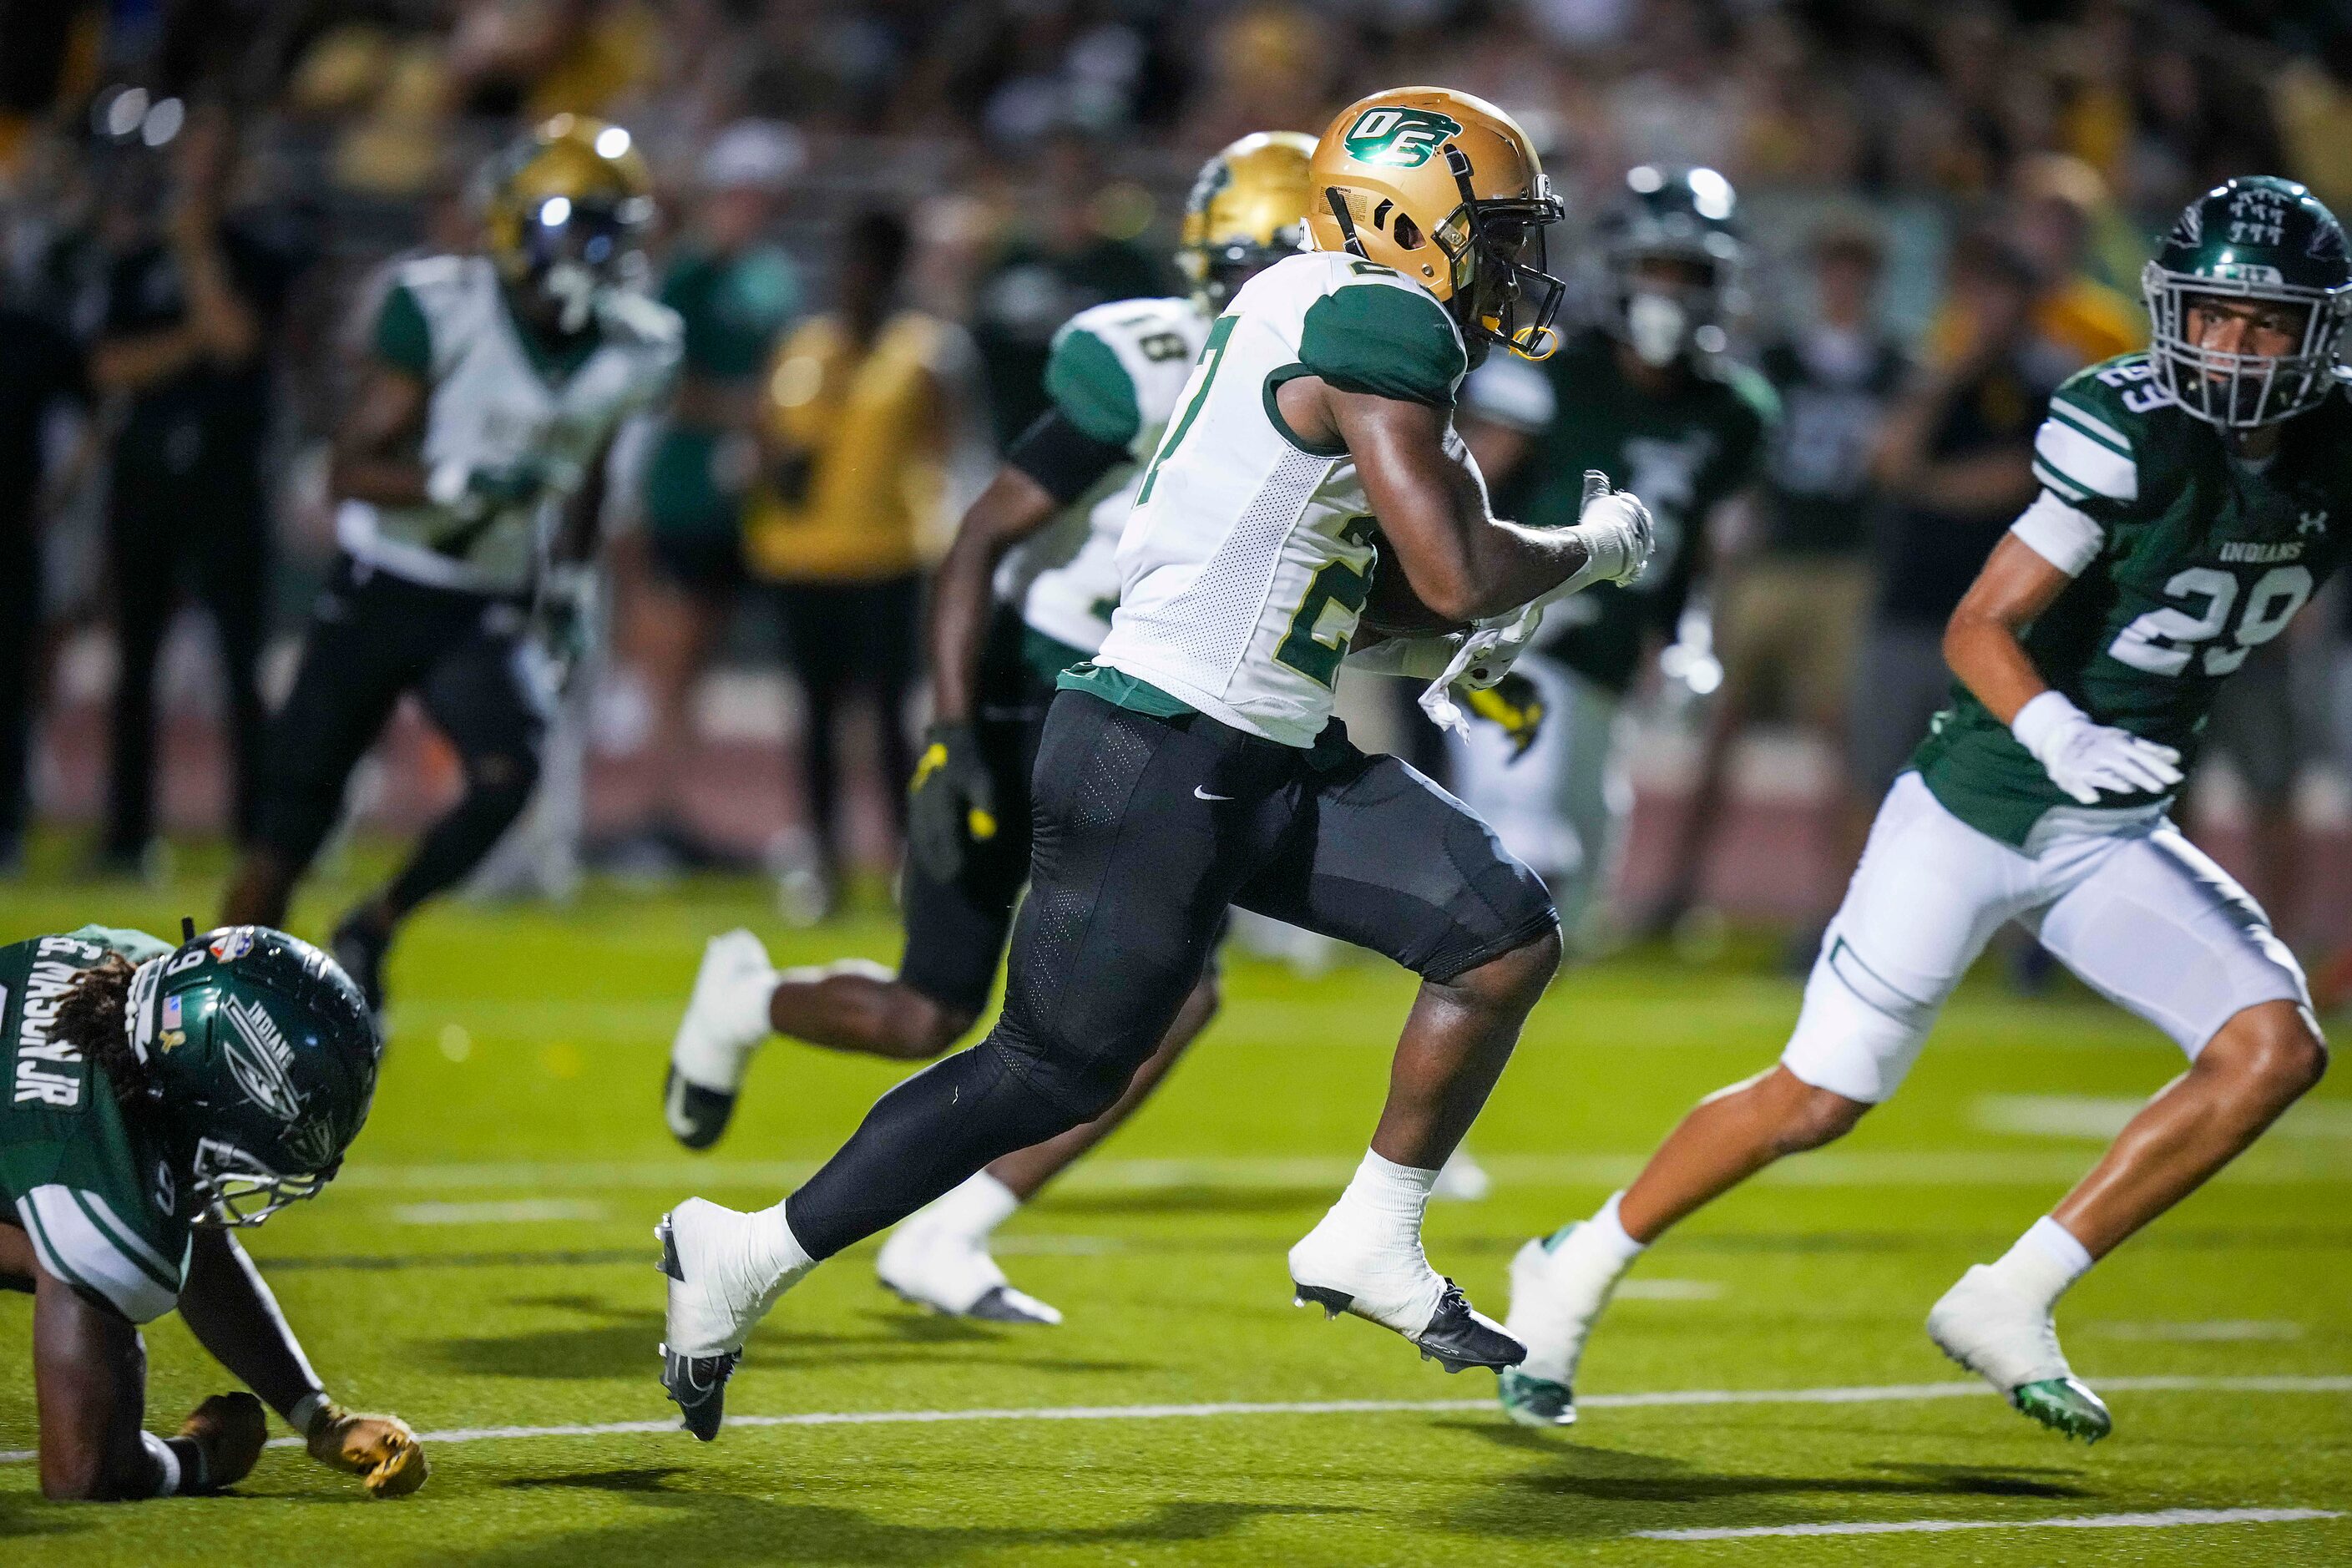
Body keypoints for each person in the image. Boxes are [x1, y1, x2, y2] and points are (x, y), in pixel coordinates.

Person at [654, 86, 1656, 1441]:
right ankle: (747, 1248)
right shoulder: (1380, 321)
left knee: (1498, 931)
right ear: (1403, 220)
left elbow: (1371, 584)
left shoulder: (1307, 303)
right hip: (1166, 750)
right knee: (1045, 1068)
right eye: (1489, 230)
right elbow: (1458, 563)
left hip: (1243, 746)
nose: (1505, 262)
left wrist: (1456, 623)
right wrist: (1590, 547)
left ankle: (1370, 1233)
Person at [1500, 176, 2347, 1444]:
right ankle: (1575, 1261)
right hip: (1978, 803)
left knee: (2273, 1047)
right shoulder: (2131, 427)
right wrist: (2060, 725)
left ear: (2317, 335)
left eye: (2263, 322)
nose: (2231, 346)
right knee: (1820, 1095)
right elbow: (1981, 624)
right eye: (2212, 316)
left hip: (2110, 832)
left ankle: (2013, 1296)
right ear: (2170, 312)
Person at [665, 131, 1317, 1325]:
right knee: (931, 1009)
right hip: (1039, 687)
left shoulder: (1343, 379)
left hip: (1161, 703)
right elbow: (976, 540)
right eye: (1263, 259)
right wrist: (956, 729)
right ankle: (748, 1001)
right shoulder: (1150, 360)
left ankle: (950, 1228)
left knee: (1177, 993)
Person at [218, 114, 681, 1011]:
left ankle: (374, 926)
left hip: (485, 601)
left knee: (510, 774)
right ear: (513, 223)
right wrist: (457, 478)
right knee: (288, 829)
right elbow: (348, 473)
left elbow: (588, 471)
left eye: (608, 229)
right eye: (571, 223)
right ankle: (218, 999)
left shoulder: (637, 344)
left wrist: (575, 581)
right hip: (383, 585)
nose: (592, 249)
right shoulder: (441, 308)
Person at [1449, 164, 1774, 945]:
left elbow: (1707, 545)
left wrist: (1687, 633)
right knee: (1522, 841)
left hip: (1611, 651)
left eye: (1688, 272)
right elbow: (1464, 491)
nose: (1668, 291)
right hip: (1524, 634)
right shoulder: (1547, 367)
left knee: (1586, 885)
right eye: (1654, 268)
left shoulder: (1735, 409)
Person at [2, 921, 427, 1500]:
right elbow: (80, 1472)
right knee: (67, 1263)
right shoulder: (96, 1196)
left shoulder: (126, 965)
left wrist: (317, 1417)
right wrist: (199, 1458)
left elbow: (192, 1225)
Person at [1651, 219, 1905, 948]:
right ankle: (1677, 892)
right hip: (1771, 560)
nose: (1841, 286)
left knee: (1841, 744)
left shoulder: (1895, 367)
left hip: (1845, 567)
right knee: (1720, 730)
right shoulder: (1776, 363)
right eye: (1831, 269)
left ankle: (1836, 908)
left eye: (1853, 271)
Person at [89, 103, 312, 878]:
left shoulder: (258, 251)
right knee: (135, 664)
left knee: (238, 666)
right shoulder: (132, 261)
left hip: (226, 483)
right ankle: (125, 837)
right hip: (145, 480)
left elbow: (237, 339)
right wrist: (187, 342)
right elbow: (108, 367)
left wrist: (193, 251)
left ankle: (256, 835)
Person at [740, 209, 957, 918]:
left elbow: (945, 447)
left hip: (887, 558)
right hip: (801, 557)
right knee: (816, 718)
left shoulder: (924, 352)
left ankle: (903, 861)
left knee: (892, 721)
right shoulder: (803, 349)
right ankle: (823, 864)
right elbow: (766, 442)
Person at [617, 119, 802, 873]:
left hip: (738, 499)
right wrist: (744, 411)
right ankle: (653, 814)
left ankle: (673, 813)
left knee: (702, 662)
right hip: (684, 489)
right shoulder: (688, 275)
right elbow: (663, 386)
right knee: (670, 659)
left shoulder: (770, 275)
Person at [1845, 234, 2068, 813]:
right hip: (1908, 605)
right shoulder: (1928, 375)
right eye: (1979, 291)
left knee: (1991, 790)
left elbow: (2012, 478)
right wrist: (1951, 372)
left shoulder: (2048, 382)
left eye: (2003, 292)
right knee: (1872, 778)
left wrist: (1921, 485)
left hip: (1999, 621)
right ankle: (1858, 903)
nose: (1990, 306)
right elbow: (1888, 460)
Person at [0, 291, 89, 874]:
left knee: (9, 683)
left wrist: (58, 492)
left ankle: (6, 826)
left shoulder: (29, 331)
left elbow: (97, 401)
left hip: (11, 534)